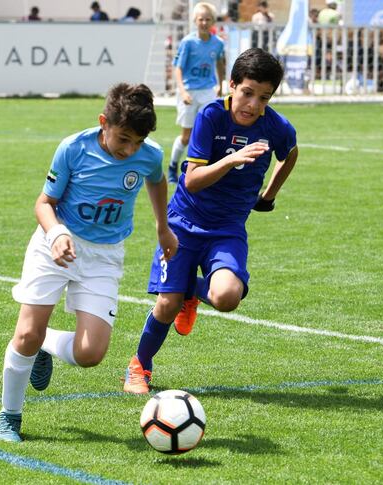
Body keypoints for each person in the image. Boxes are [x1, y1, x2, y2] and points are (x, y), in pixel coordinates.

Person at [0, 83, 178, 442]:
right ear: (103, 122)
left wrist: (162, 228)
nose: (130, 150)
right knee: (26, 332)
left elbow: (156, 180)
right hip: (57, 244)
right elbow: (43, 203)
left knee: (90, 353)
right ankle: (9, 416)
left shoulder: (150, 155)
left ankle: (45, 345)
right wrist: (56, 233)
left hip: (105, 256)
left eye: (137, 142)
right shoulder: (73, 148)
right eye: (123, 139)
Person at [123, 48, 299, 395]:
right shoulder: (211, 117)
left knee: (227, 296)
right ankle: (139, 367)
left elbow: (290, 153)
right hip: (183, 223)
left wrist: (269, 195)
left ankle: (191, 290)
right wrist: (232, 160)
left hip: (228, 228)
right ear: (232, 85)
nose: (252, 104)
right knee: (167, 304)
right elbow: (191, 179)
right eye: (247, 92)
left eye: (263, 97)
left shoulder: (276, 126)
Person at [166, 2, 226, 184]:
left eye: (208, 19)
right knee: (186, 135)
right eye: (201, 19)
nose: (204, 23)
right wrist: (183, 91)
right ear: (195, 21)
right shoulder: (188, 42)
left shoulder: (218, 43)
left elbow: (220, 64)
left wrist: (221, 85)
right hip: (189, 90)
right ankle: (172, 165)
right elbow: (178, 68)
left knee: (209, 132)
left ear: (213, 21)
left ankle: (204, 170)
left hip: (208, 90)